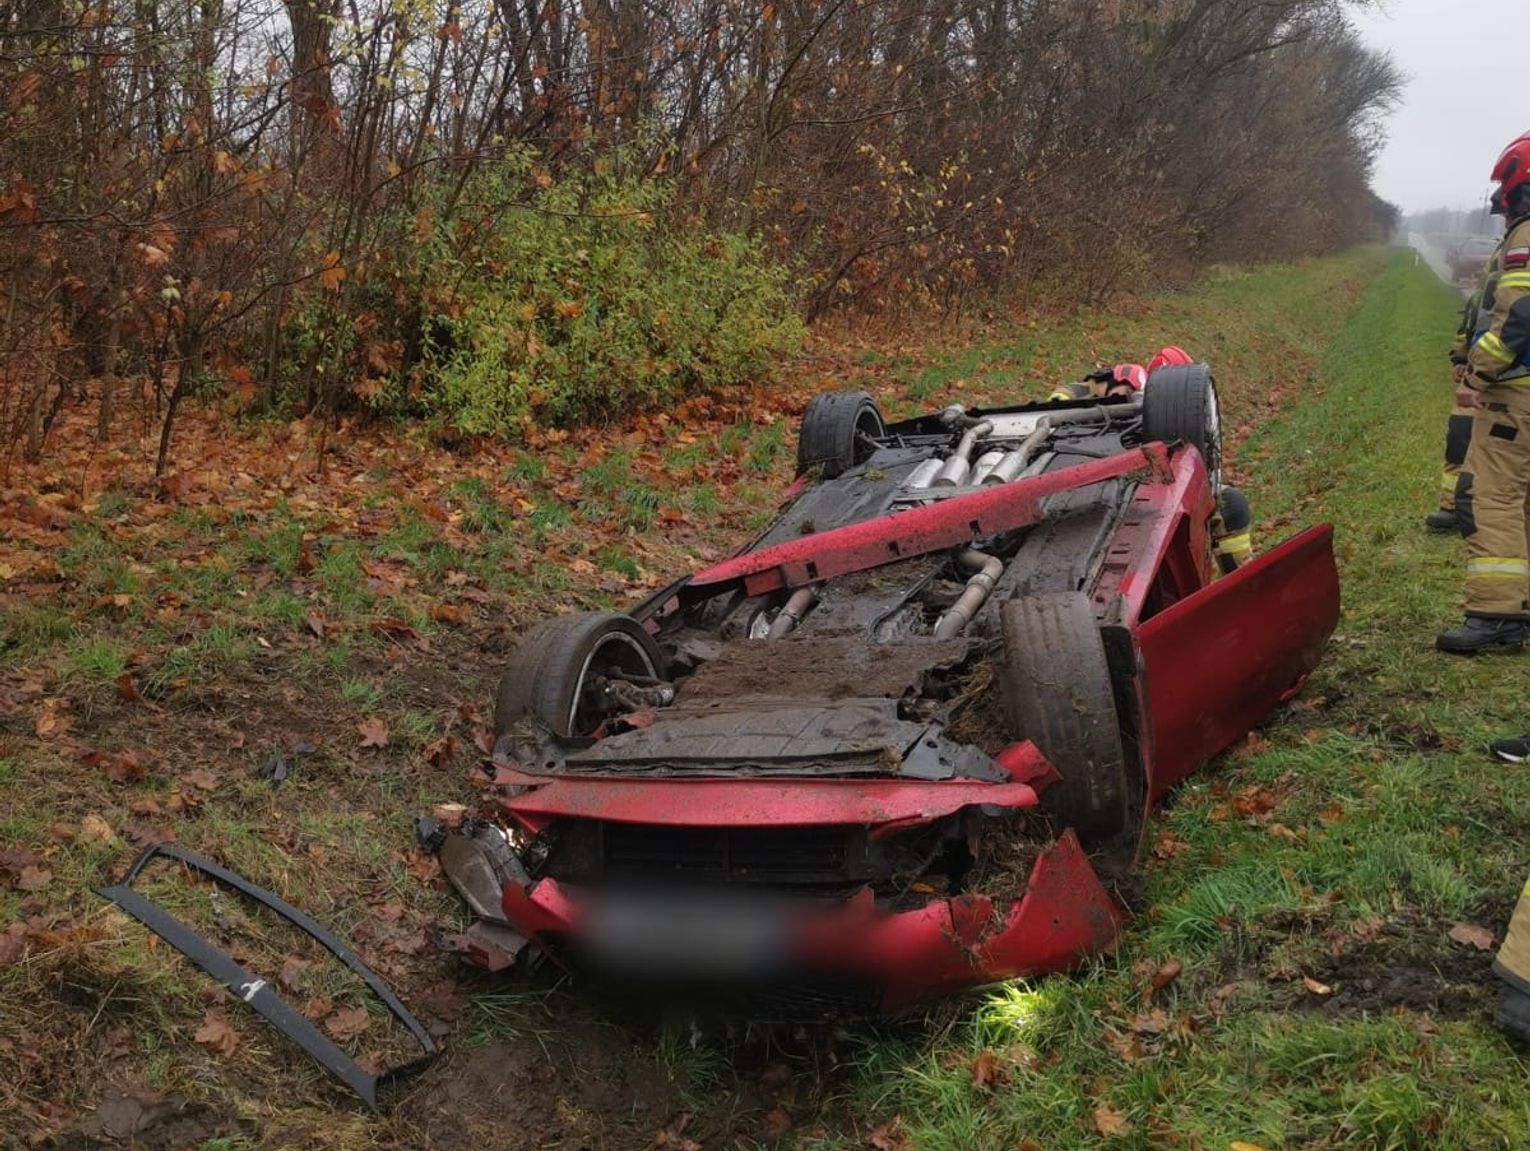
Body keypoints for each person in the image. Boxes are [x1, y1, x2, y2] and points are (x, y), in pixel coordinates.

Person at [1435, 130, 1530, 653]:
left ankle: (1496, 617)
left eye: (1508, 195)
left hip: (1515, 395)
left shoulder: (1526, 236)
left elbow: (1520, 313)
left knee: (1488, 498)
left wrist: (1481, 370)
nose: (1504, 206)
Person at [1428, 287, 1489, 531]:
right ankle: (1451, 507)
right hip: (1477, 380)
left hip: (1511, 384)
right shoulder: (1486, 290)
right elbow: (1468, 328)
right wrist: (1461, 359)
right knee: (1459, 438)